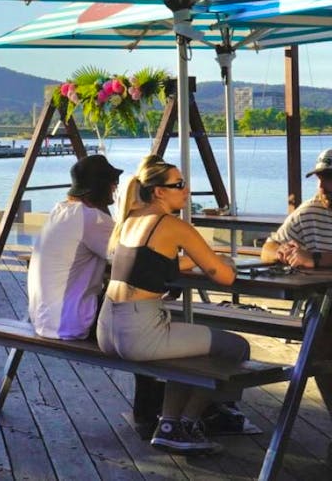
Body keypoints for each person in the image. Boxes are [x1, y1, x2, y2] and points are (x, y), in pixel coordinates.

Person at [96, 154, 250, 454]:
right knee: (235, 347)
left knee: (192, 346)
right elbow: (225, 277)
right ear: (159, 192)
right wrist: (223, 261)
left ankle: (170, 423)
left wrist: (196, 261)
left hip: (108, 328)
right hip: (139, 332)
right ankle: (185, 424)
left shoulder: (130, 220)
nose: (186, 189)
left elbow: (156, 263)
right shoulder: (172, 225)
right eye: (179, 184)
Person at [261, 148, 332, 413]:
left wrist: (314, 258)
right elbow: (267, 248)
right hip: (324, 303)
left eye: (329, 178)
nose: (322, 186)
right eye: (320, 178)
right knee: (317, 334)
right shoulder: (310, 210)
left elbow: (313, 259)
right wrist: (281, 252)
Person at [28, 154, 122, 339]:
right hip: (70, 323)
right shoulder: (91, 219)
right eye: (113, 182)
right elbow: (132, 256)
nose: (115, 187)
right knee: (137, 312)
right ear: (100, 186)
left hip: (42, 319)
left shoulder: (59, 211)